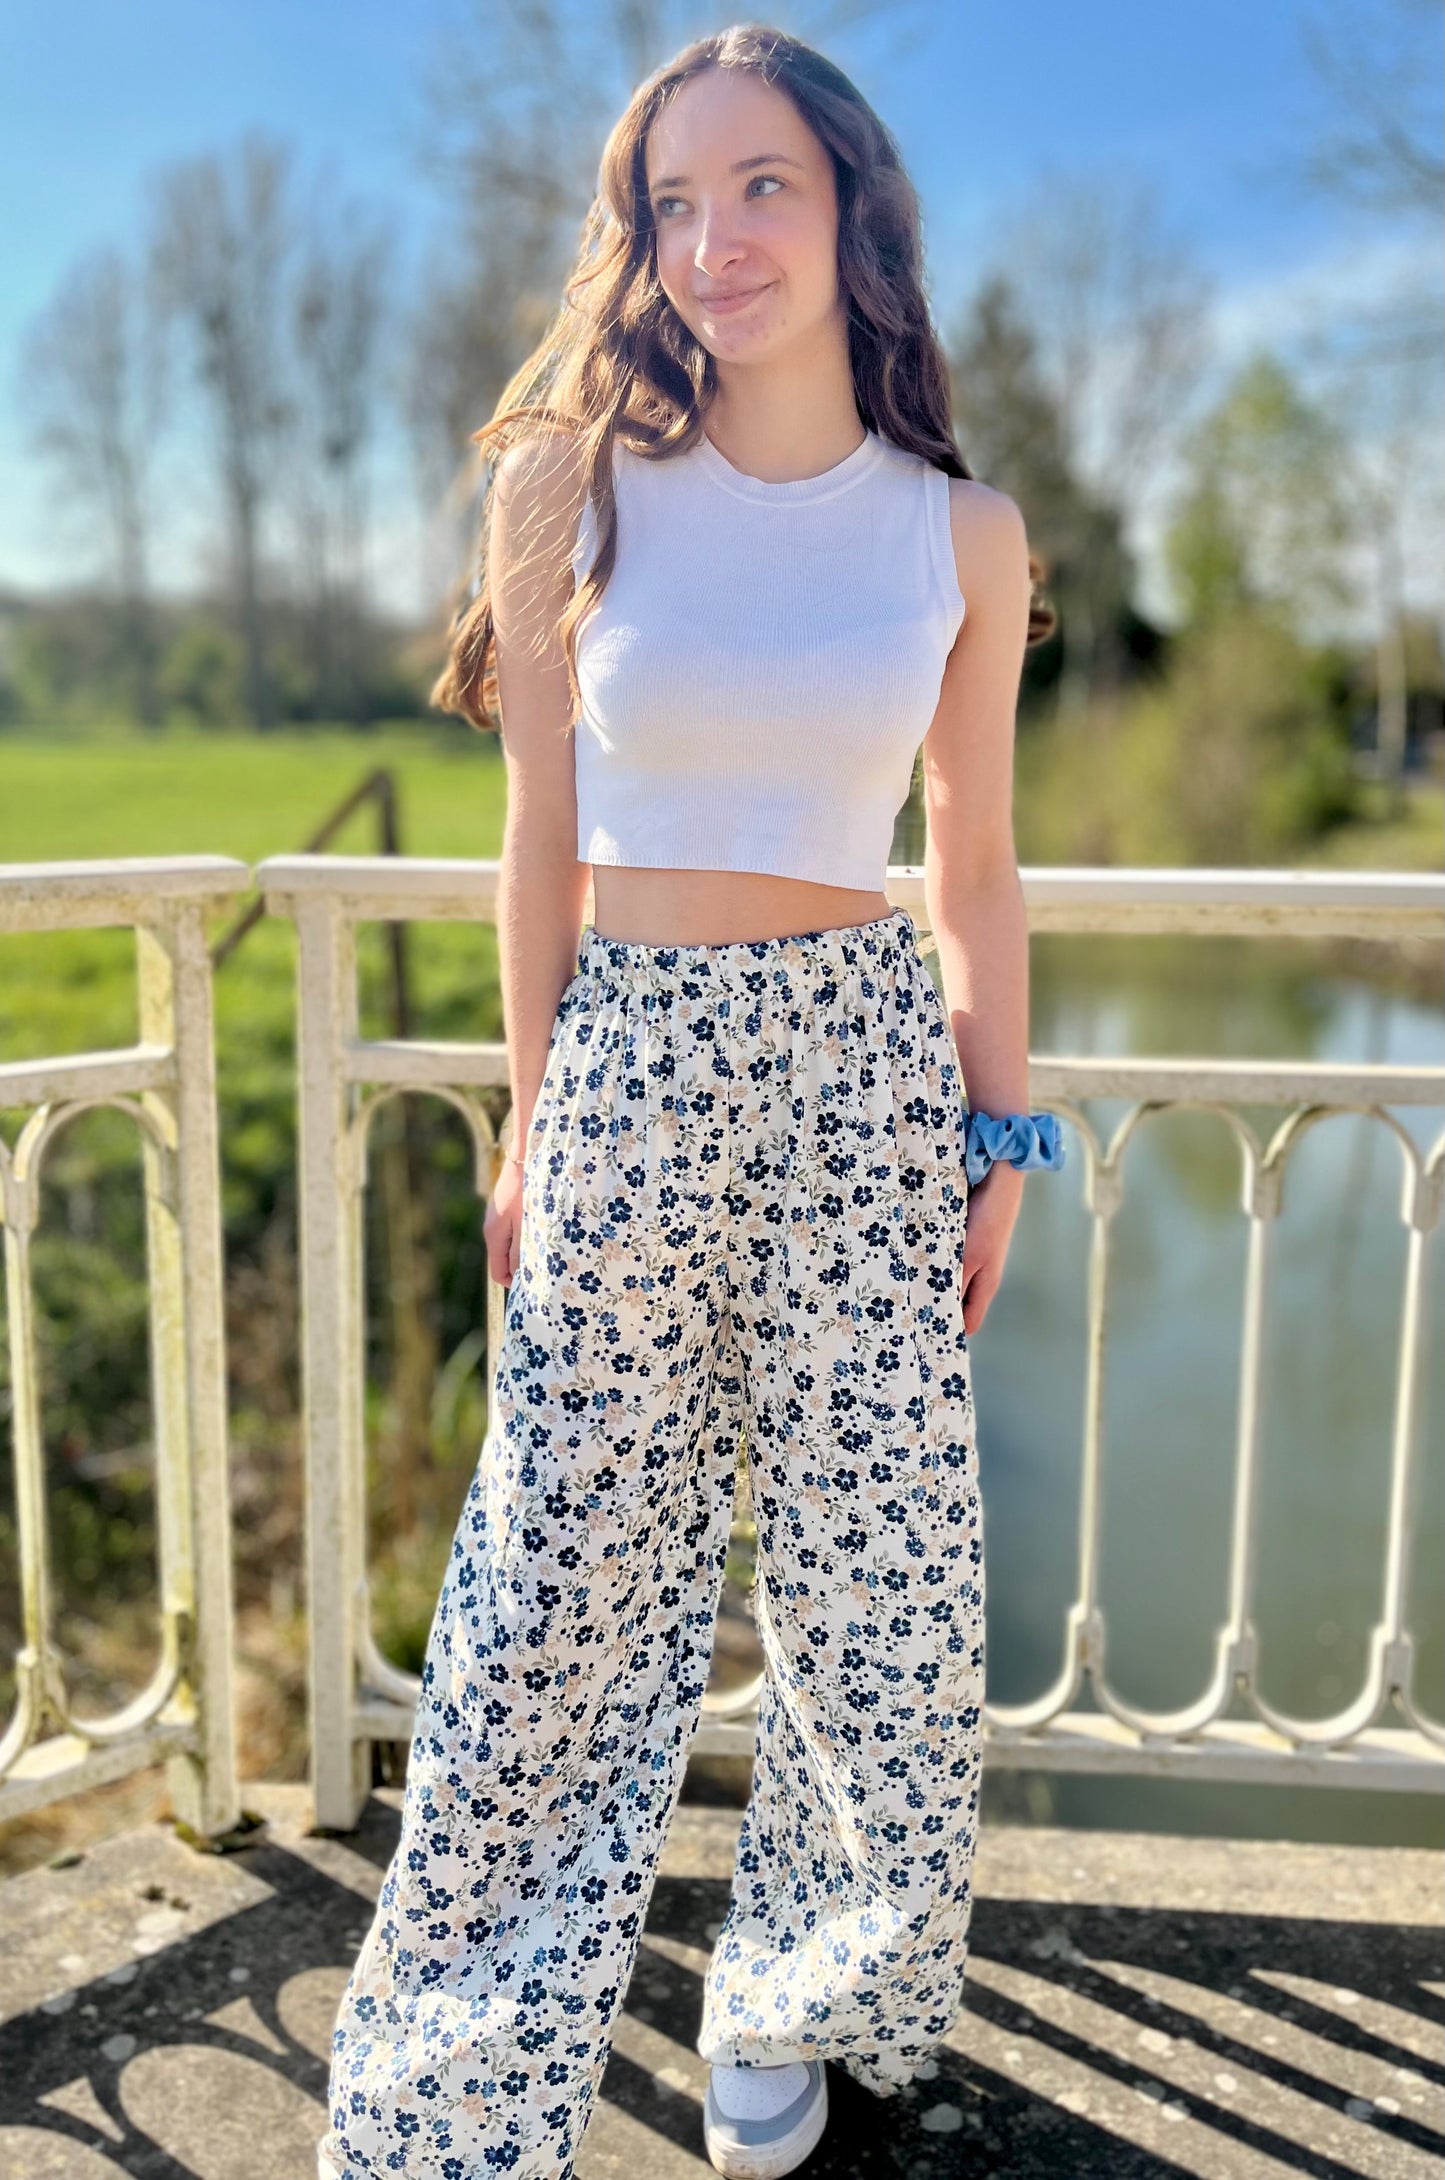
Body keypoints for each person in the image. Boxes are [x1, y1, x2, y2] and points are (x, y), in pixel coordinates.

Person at [318, 22, 1063, 2180]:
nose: (714, 239)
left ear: (850, 215)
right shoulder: (566, 488)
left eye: (762, 188)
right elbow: (537, 842)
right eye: (672, 201)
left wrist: (1001, 1137)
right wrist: (534, 1115)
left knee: (880, 1593)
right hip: (630, 1063)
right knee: (554, 1590)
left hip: (867, 1072)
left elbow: (974, 872)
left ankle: (803, 1995)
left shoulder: (962, 535)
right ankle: (458, 2079)